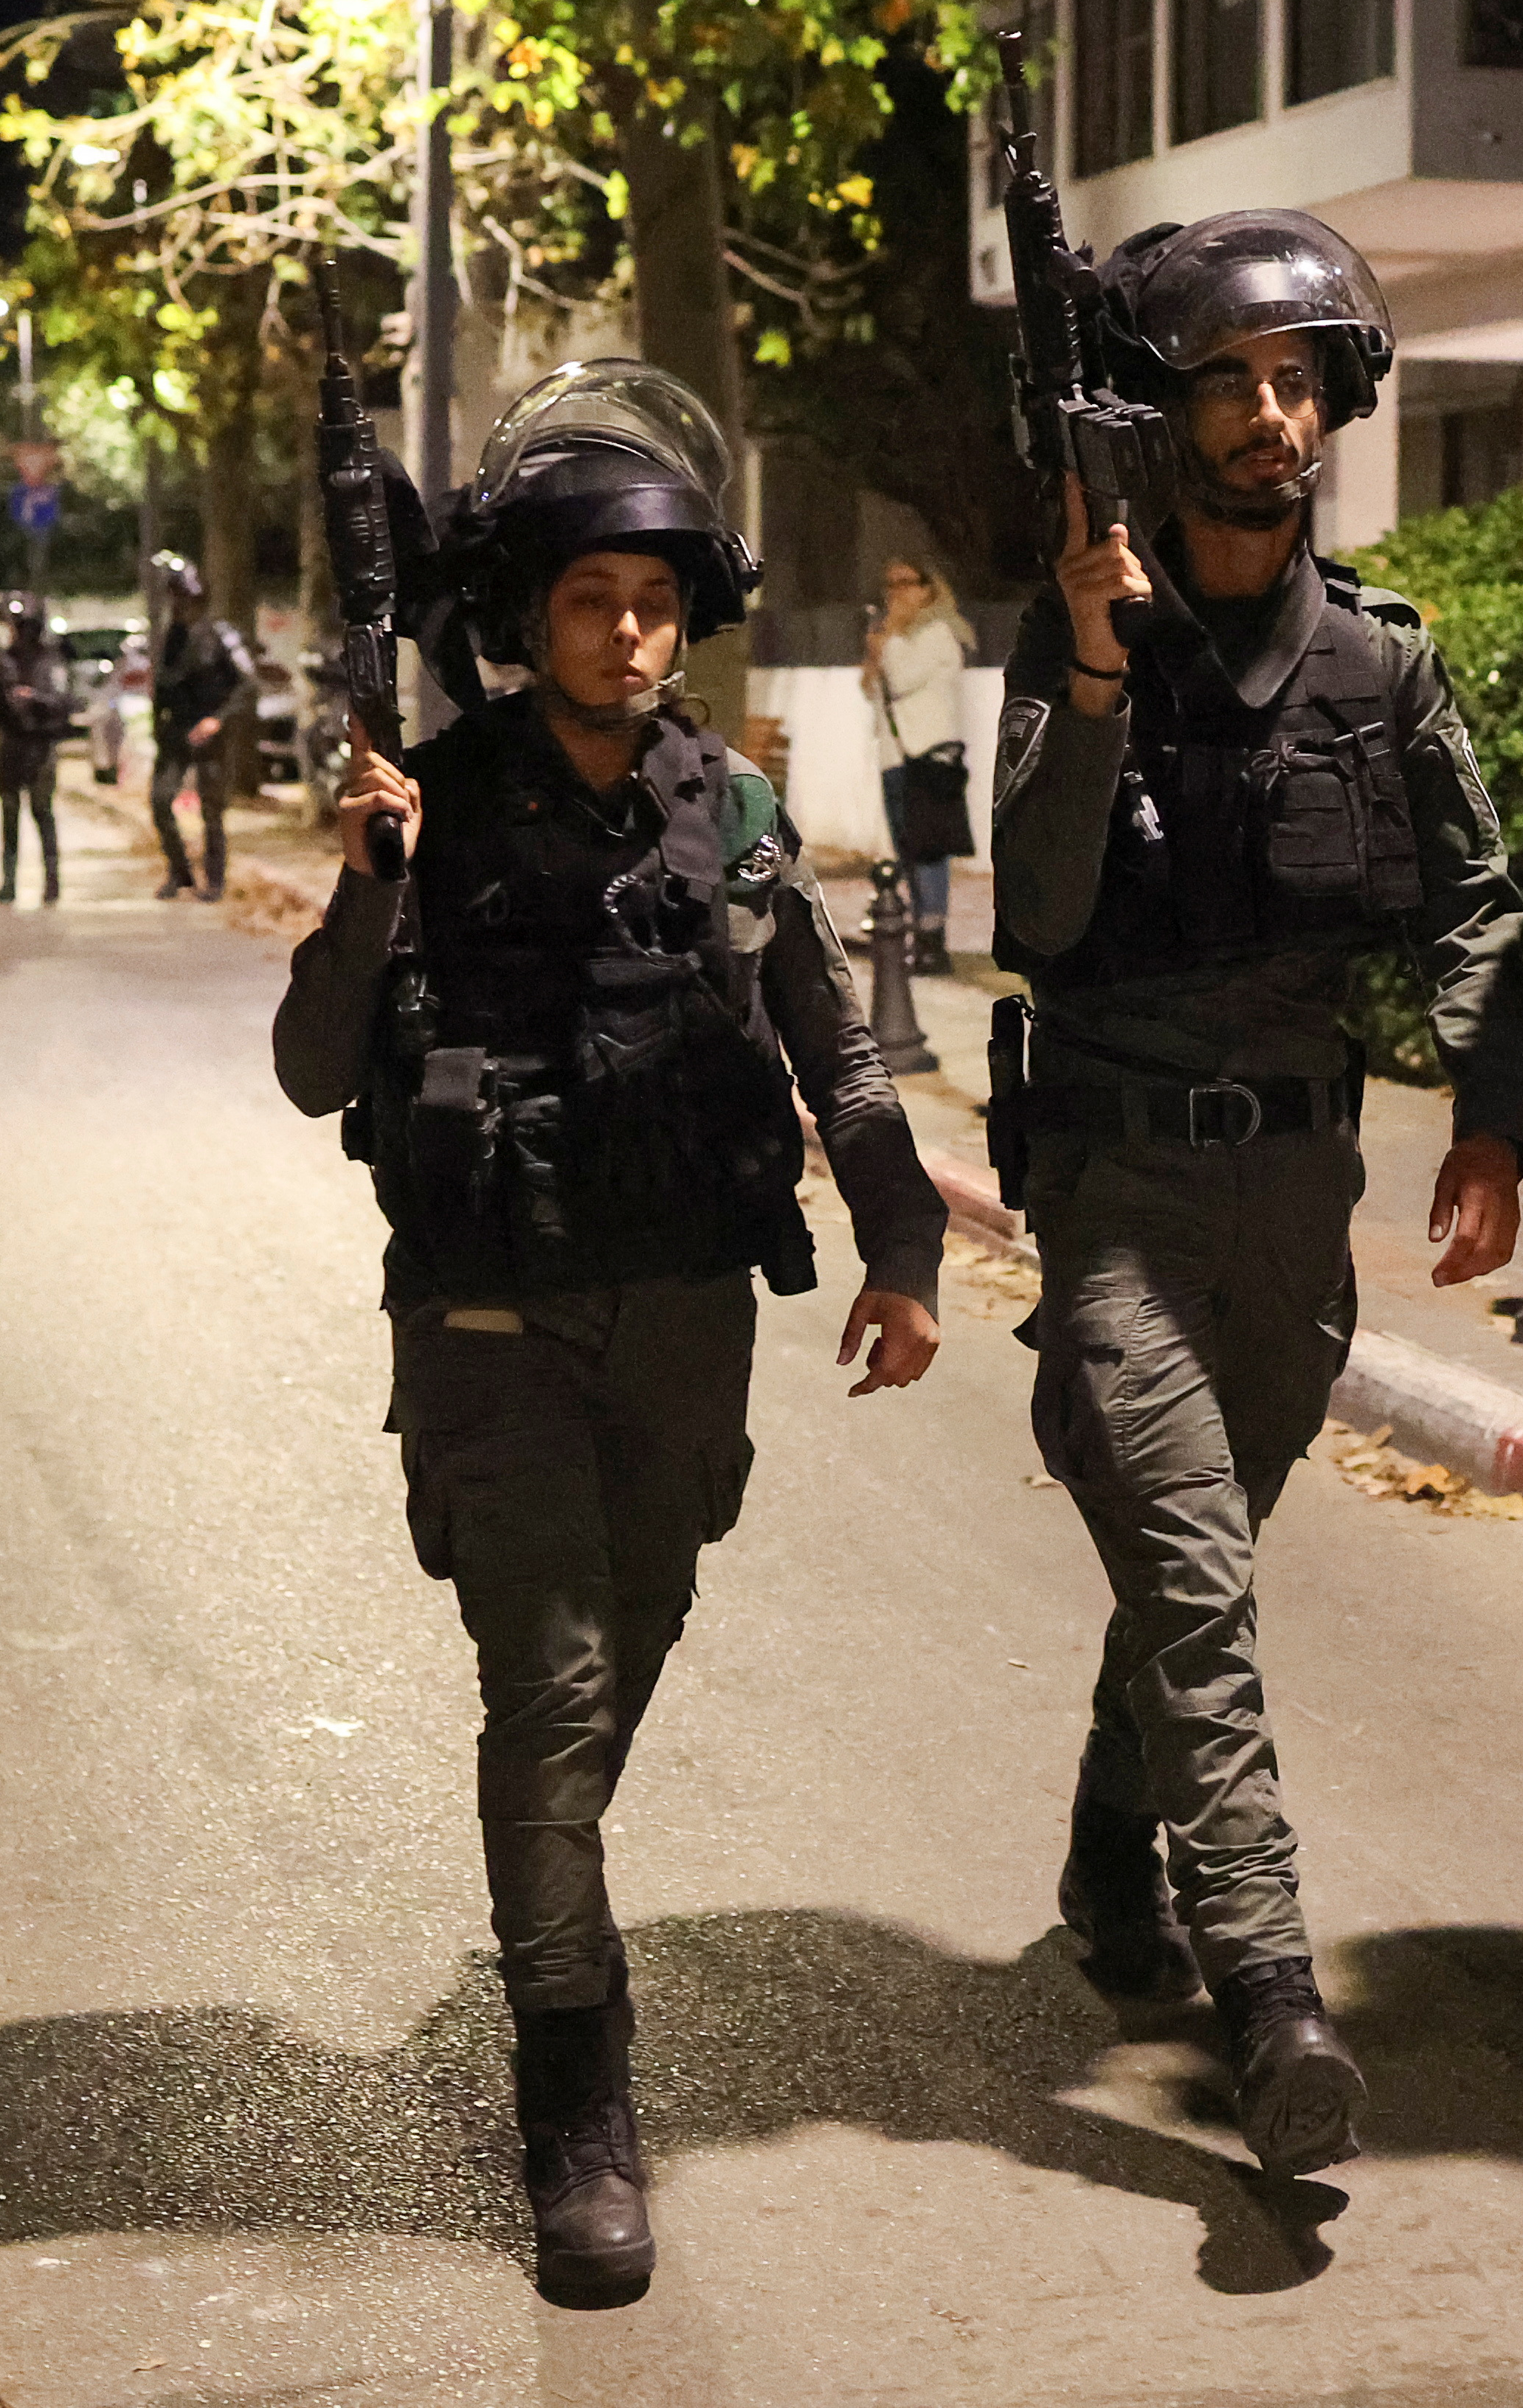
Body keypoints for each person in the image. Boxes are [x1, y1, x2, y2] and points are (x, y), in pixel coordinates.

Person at [272, 359, 944, 2308]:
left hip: (683, 1329)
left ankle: (543, 1901)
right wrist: (367, 892)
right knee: (549, 1695)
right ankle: (578, 2084)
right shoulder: (435, 803)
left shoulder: (725, 809)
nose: (629, 629)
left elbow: (840, 1049)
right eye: (590, 596)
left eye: (655, 597)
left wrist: (900, 1250)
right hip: (486, 1319)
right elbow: (318, 1064)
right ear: (527, 610)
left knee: (614, 1667)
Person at [990, 210, 1523, 2177]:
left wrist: (1490, 1111)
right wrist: (1091, 658)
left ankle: (1098, 1852)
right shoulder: (1074, 637)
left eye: (1298, 380)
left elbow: (1476, 895)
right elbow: (1037, 904)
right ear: (1161, 415)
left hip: (1302, 1201)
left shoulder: (1380, 660)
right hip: (1121, 1192)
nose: (1269, 415)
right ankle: (1273, 1992)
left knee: (1197, 1565)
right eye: (1226, 381)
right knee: (1204, 1590)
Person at [857, 552, 973, 972]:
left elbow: (903, 679)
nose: (895, 594)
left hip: (928, 755)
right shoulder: (897, 639)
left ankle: (933, 939)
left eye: (905, 582)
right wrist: (878, 652)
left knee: (929, 851)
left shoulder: (937, 632)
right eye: (890, 584)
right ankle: (920, 933)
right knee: (908, 849)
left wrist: (886, 641)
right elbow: (873, 690)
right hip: (896, 756)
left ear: (927, 589)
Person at [148, 551, 256, 901]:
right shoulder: (170, 639)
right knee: (161, 800)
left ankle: (215, 880)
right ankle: (180, 872)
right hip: (175, 732)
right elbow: (163, 687)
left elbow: (247, 683)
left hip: (210, 734)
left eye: (187, 599)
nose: (182, 607)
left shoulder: (222, 637)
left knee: (212, 811)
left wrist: (216, 720)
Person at [0, 590, 76, 905]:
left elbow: (65, 700)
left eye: (15, 626)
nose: (11, 633)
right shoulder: (5, 661)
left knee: (42, 812)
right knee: (10, 813)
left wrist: (35, 699)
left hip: (40, 745)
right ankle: (9, 882)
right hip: (11, 745)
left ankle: (52, 881)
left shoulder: (51, 660)